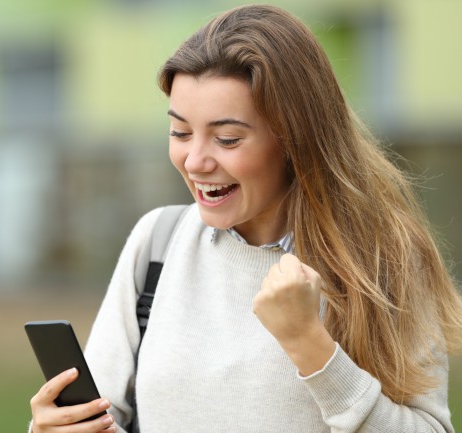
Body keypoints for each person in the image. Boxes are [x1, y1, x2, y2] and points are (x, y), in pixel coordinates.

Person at [29, 4, 462, 432]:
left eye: (227, 138)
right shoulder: (157, 243)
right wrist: (53, 428)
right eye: (179, 132)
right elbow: (96, 420)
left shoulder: (384, 258)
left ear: (295, 139)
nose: (195, 161)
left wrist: (311, 347)